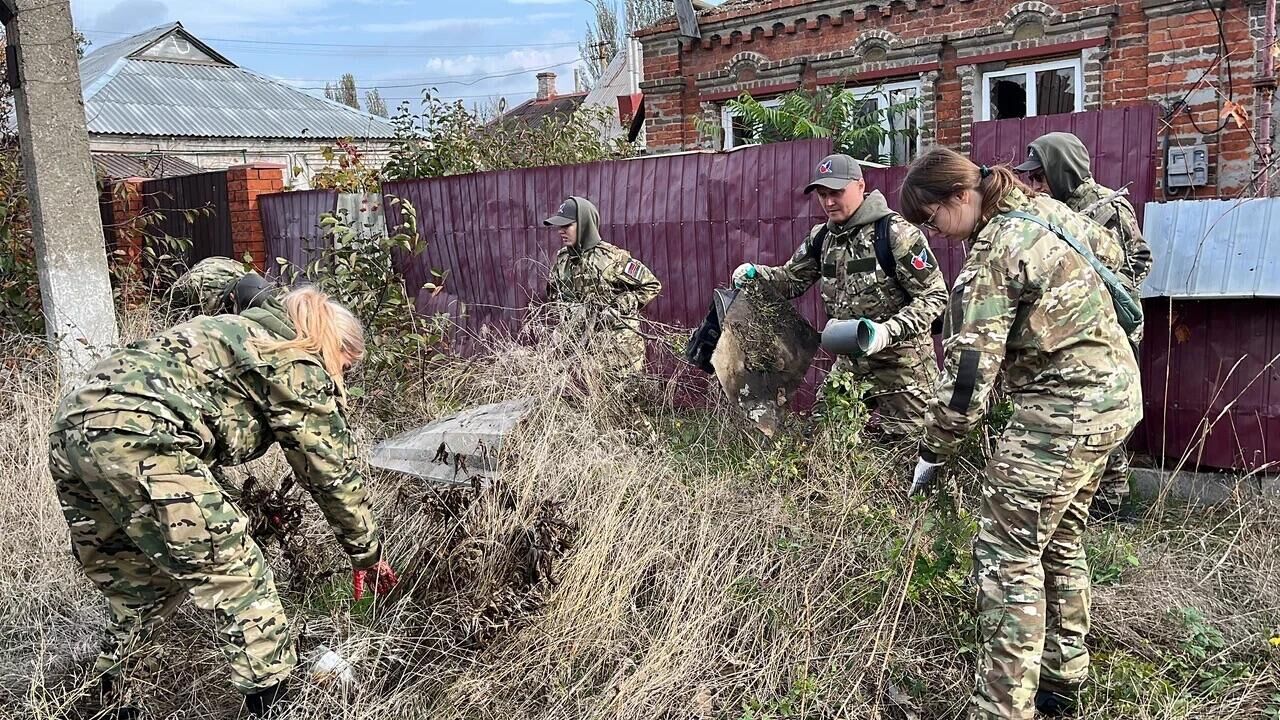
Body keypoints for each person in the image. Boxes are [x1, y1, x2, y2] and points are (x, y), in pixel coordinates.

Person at [49, 287, 398, 718]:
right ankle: (277, 709)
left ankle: (104, 705)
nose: (342, 378)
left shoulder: (232, 332)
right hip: (142, 437)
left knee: (142, 589)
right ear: (334, 345)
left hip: (72, 434)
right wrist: (366, 551)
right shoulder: (295, 358)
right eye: (347, 367)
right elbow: (329, 470)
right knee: (241, 578)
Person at [899, 148, 1141, 720]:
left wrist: (933, 451)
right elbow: (1114, 255)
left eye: (932, 219)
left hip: (1062, 411)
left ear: (961, 197)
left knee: (1006, 553)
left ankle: (1003, 707)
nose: (936, 234)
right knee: (1059, 537)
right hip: (1114, 396)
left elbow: (966, 383)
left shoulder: (995, 250)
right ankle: (1063, 677)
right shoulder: (1045, 212)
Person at [732, 153, 948, 438]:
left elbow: (934, 296)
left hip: (903, 368)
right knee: (824, 440)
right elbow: (792, 280)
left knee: (913, 449)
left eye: (836, 192)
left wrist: (886, 331)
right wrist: (754, 275)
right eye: (822, 194)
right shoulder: (822, 238)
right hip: (851, 364)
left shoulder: (895, 234)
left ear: (860, 185)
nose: (829, 202)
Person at [1017, 132, 1154, 520]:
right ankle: (1082, 496)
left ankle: (1112, 502)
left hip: (1112, 330)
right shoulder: (1052, 211)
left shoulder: (1108, 209)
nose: (1035, 185)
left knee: (1109, 415)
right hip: (1070, 331)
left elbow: (1137, 262)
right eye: (1031, 177)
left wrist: (1101, 289)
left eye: (1041, 176)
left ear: (1063, 171)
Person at [543, 195, 662, 380]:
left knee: (626, 405)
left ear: (584, 224)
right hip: (584, 353)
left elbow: (651, 285)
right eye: (560, 226)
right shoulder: (562, 260)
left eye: (567, 226)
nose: (561, 231)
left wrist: (618, 306)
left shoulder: (611, 258)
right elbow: (553, 296)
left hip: (620, 353)